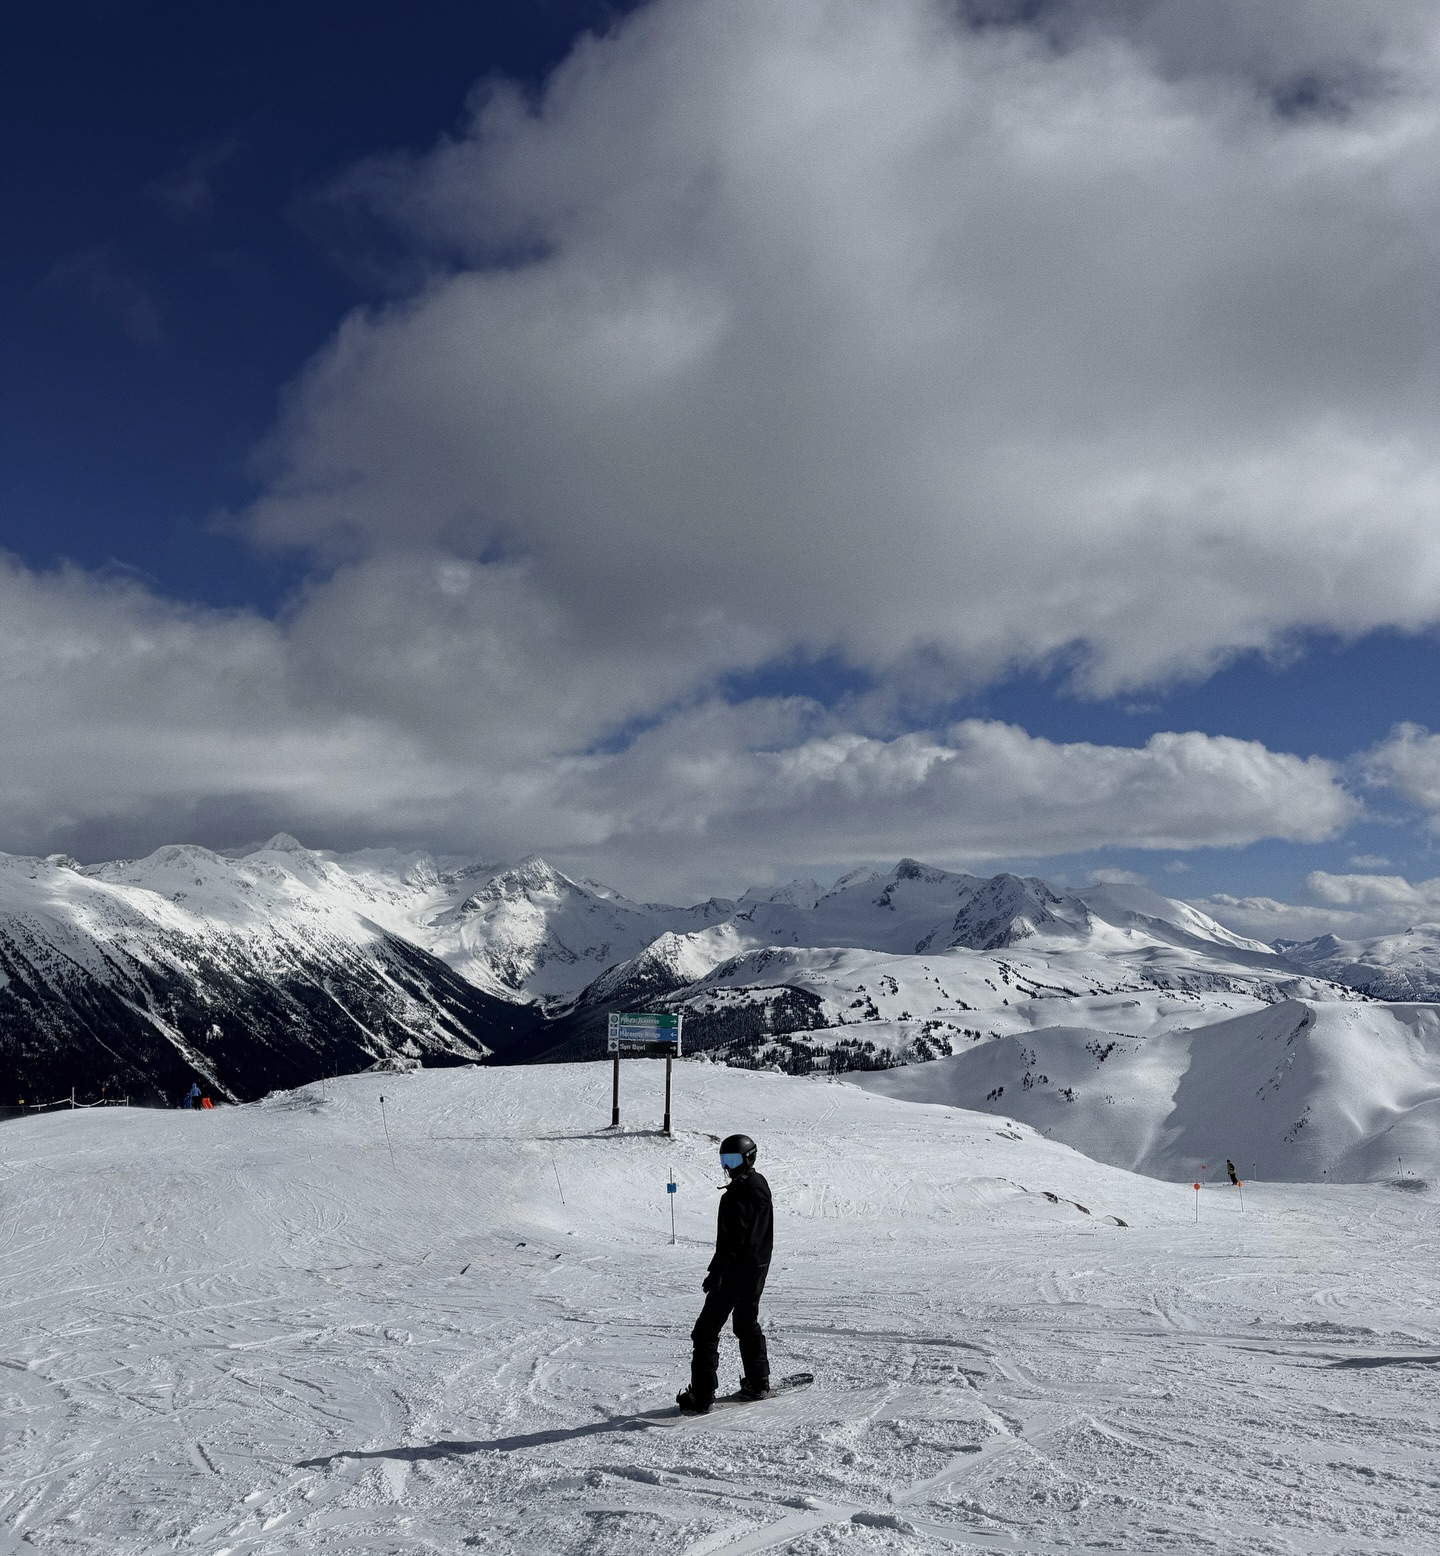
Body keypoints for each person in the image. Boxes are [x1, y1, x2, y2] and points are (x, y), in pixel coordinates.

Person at [677, 1133, 773, 1413]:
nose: (728, 1166)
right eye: (724, 1159)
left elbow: (731, 1243)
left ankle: (702, 1395)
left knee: (705, 1332)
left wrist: (716, 1273)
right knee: (746, 1324)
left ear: (748, 1157)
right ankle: (758, 1382)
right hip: (756, 1270)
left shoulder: (735, 1197)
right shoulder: (760, 1185)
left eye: (733, 1159)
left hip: (734, 1274)